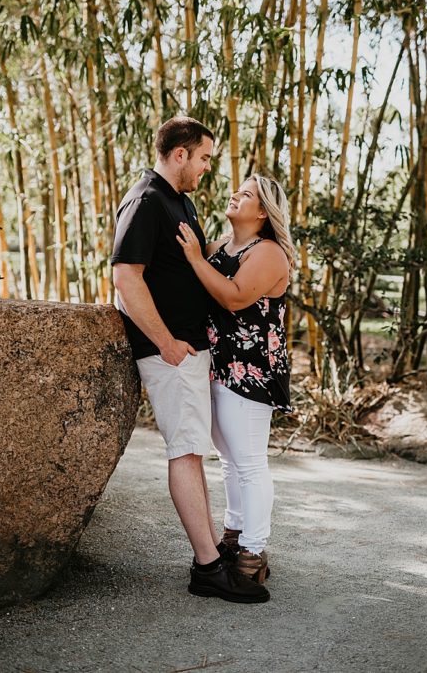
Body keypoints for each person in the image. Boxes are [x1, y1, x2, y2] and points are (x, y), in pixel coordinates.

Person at [111, 115, 269, 603]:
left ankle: (211, 560)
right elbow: (125, 277)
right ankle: (207, 569)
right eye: (203, 157)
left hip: (189, 349)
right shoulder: (146, 201)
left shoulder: (179, 202)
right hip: (171, 352)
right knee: (185, 450)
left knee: (194, 451)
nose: (206, 168)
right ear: (179, 154)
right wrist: (165, 342)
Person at [176, 174, 294, 585]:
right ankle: (234, 532)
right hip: (218, 363)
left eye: (246, 194)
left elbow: (235, 296)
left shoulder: (269, 253)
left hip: (251, 369)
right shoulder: (220, 248)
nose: (235, 194)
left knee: (249, 462)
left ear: (263, 211)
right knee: (228, 459)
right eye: (237, 189)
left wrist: (193, 260)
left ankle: (253, 551)